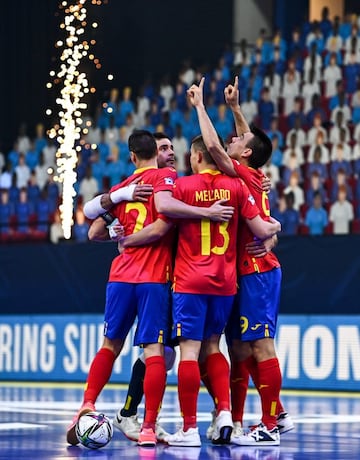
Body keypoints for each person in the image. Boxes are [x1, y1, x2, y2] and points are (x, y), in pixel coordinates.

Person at [118, 134, 281, 447]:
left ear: (196, 157)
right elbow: (261, 228)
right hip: (226, 282)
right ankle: (225, 415)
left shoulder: (180, 187)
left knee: (187, 352)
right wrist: (276, 226)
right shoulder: (237, 185)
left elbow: (162, 223)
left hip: (189, 280)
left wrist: (126, 240)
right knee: (214, 347)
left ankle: (189, 428)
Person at [79, 131, 235, 446]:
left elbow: (93, 221)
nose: (170, 153)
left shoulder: (139, 186)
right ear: (153, 152)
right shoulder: (167, 182)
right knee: (163, 353)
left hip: (155, 278)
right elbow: (104, 226)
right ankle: (140, 418)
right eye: (163, 148)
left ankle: (119, 412)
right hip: (163, 279)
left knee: (158, 352)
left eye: (172, 148)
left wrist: (121, 235)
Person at [188, 76, 293, 446]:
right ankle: (240, 418)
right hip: (240, 272)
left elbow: (217, 147)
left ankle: (270, 422)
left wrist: (201, 106)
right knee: (238, 349)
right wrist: (233, 108)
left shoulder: (244, 173)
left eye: (240, 140)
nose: (236, 138)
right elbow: (246, 143)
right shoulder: (254, 174)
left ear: (245, 154)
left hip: (257, 272)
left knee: (261, 346)